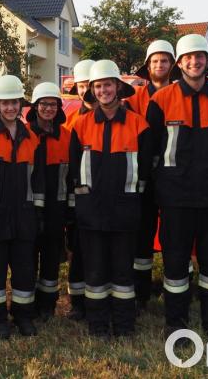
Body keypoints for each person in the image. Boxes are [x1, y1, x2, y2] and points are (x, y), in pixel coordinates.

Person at [145, 34, 208, 343]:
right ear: (179, 63)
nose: (194, 62)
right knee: (175, 259)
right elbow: (153, 150)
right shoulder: (161, 100)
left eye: (200, 57)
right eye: (188, 58)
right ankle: (177, 324)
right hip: (176, 195)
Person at [69, 59, 151, 337]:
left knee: (122, 273)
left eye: (108, 85)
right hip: (91, 211)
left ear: (118, 87)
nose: (104, 90)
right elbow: (73, 171)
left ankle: (125, 325)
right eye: (98, 86)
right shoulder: (80, 126)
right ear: (92, 90)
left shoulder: (139, 126)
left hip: (125, 211)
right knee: (95, 272)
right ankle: (98, 325)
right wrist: (83, 203)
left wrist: (134, 200)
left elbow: (146, 170)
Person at [0, 75, 45, 339]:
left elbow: (38, 179)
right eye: (5, 103)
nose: (10, 108)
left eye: (14, 102)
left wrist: (37, 212)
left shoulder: (32, 138)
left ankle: (23, 316)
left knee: (25, 270)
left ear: (21, 104)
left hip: (24, 215)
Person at [127, 40, 177, 311]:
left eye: (165, 60)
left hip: (174, 175)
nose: (160, 65)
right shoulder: (134, 98)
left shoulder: (181, 95)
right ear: (148, 66)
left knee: (175, 233)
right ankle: (140, 289)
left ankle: (178, 287)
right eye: (155, 61)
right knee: (143, 232)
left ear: (172, 65)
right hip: (144, 174)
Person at [26, 82, 73, 321]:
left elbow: (72, 174)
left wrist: (70, 209)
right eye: (43, 104)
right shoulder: (25, 134)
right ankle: (29, 304)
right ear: (35, 107)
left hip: (57, 207)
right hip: (29, 207)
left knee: (52, 258)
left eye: (52, 104)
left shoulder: (66, 136)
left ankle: (47, 306)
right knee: (28, 257)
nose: (48, 108)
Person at [63, 58, 96, 321]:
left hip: (107, 196)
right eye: (82, 85)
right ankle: (78, 302)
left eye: (90, 85)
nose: (87, 90)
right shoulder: (71, 122)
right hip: (79, 195)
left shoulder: (120, 115)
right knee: (78, 249)